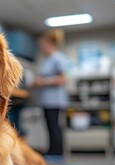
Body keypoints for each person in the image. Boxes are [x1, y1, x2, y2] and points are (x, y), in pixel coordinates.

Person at [32, 29, 68, 157]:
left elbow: (63, 79)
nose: (41, 48)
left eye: (42, 45)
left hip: (54, 100)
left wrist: (43, 82)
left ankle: (57, 152)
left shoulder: (58, 58)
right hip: (46, 100)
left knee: (54, 126)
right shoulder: (47, 60)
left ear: (49, 44)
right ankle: (52, 150)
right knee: (49, 126)